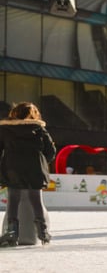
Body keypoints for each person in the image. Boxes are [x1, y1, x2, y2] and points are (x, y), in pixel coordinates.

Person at [0, 102, 56, 246]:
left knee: (13, 200)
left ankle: (11, 232)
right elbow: (50, 151)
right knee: (35, 200)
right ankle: (43, 232)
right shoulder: (39, 129)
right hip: (34, 168)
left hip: (13, 168)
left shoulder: (5, 129)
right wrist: (42, 162)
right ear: (33, 114)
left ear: (15, 113)